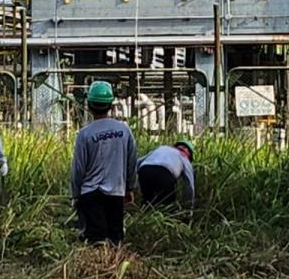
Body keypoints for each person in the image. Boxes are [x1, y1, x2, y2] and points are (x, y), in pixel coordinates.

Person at [70, 81, 138, 245]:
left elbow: (78, 169)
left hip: (90, 193)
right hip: (116, 193)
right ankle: (115, 267)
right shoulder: (124, 130)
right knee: (115, 238)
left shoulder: (85, 134)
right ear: (110, 104)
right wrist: (130, 187)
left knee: (95, 239)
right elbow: (132, 162)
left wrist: (75, 195)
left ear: (90, 105)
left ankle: (95, 269)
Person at [138, 139, 196, 210]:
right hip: (164, 174)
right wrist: (188, 210)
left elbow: (139, 161)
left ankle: (142, 216)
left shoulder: (163, 148)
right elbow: (189, 186)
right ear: (189, 153)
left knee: (147, 200)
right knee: (167, 206)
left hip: (144, 170)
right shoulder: (184, 157)